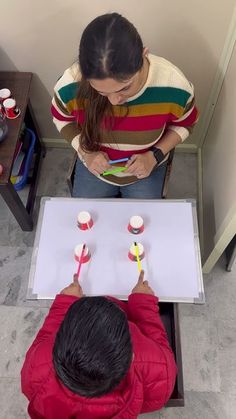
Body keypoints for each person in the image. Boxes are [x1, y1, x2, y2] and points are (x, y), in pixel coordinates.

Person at [51, 13, 198, 199]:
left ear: (143, 55)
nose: (114, 101)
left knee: (146, 223)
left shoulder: (174, 85)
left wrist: (155, 156)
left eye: (125, 87)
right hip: (95, 167)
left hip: (147, 166)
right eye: (102, 92)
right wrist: (86, 153)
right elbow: (61, 119)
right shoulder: (69, 85)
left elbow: (186, 123)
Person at [21, 270, 177, 418]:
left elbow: (46, 334)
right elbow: (158, 339)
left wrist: (65, 303)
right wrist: (143, 303)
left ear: (56, 346)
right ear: (131, 357)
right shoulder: (161, 370)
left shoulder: (34, 372)